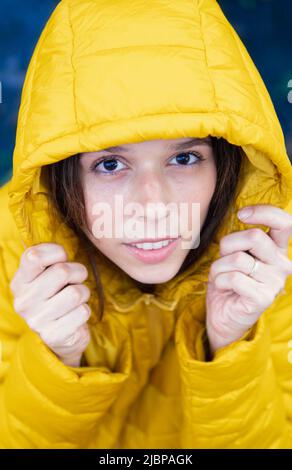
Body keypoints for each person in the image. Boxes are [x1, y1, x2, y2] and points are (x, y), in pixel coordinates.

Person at [0, 0, 292, 449]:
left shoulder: (276, 253)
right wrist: (59, 360)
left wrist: (229, 345)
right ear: (59, 172)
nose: (153, 206)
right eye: (111, 164)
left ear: (228, 161)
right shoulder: (10, 244)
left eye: (184, 157)